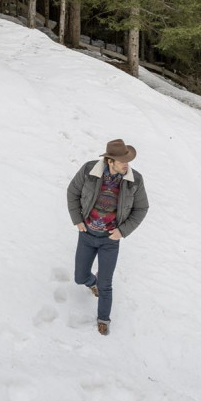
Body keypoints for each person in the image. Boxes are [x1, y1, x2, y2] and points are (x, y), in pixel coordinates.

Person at [67, 138, 149, 336]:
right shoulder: (89, 170)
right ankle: (90, 282)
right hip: (86, 234)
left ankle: (103, 318)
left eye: (127, 161)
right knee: (79, 277)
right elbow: (72, 192)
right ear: (109, 161)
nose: (126, 165)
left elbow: (141, 208)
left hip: (109, 241)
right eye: (122, 161)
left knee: (106, 283)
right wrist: (77, 219)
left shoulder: (134, 180)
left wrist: (122, 231)